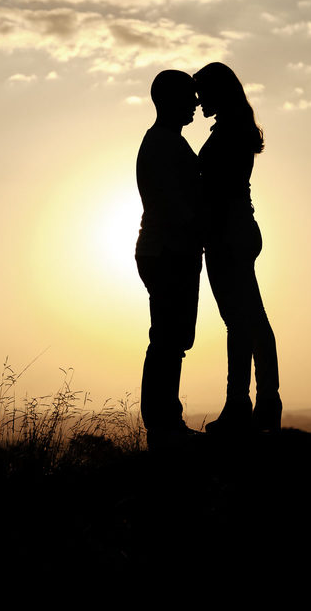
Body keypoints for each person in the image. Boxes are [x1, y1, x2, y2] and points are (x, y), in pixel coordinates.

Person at [194, 62, 281, 434]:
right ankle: (261, 403)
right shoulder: (234, 129)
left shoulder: (229, 132)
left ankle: (242, 406)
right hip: (238, 231)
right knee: (253, 320)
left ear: (219, 92)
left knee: (241, 322)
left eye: (202, 92)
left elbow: (216, 189)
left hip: (229, 234)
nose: (197, 101)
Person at [135, 70, 203, 449]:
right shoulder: (164, 144)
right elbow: (175, 205)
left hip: (168, 250)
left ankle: (165, 421)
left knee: (171, 338)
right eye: (189, 97)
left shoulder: (167, 141)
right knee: (167, 338)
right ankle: (162, 424)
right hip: (167, 251)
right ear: (170, 100)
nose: (195, 103)